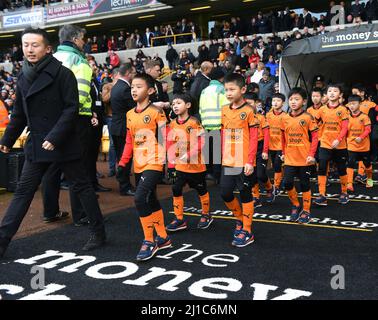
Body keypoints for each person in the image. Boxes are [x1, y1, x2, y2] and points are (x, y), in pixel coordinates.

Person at [0, 28, 106, 259]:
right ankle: (2, 241)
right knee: (22, 192)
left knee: (82, 187)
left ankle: (98, 232)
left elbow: (71, 108)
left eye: (35, 45)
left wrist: (54, 137)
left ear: (48, 48)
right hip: (38, 143)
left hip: (64, 142)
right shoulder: (23, 75)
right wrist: (7, 139)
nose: (29, 49)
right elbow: (19, 113)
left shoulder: (63, 73)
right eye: (25, 44)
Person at [41, 24, 99, 226]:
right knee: (78, 166)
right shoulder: (79, 60)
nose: (85, 42)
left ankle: (50, 211)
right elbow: (81, 95)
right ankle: (81, 215)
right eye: (83, 39)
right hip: (76, 120)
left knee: (53, 167)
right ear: (75, 39)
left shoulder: (51, 58)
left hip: (53, 121)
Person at [118, 73, 172, 261]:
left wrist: (170, 164)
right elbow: (128, 141)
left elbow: (166, 138)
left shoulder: (157, 112)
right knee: (151, 199)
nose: (134, 89)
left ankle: (150, 241)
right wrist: (123, 162)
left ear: (150, 91)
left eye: (139, 86)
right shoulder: (129, 114)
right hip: (139, 163)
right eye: (132, 86)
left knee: (140, 198)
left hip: (155, 161)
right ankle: (163, 237)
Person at [221, 73, 259, 247]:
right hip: (229, 160)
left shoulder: (249, 111)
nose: (228, 93)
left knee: (245, 194)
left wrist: (250, 161)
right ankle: (239, 218)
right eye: (226, 89)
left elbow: (253, 138)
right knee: (226, 193)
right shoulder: (224, 110)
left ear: (243, 89)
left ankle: (247, 229)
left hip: (244, 160)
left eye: (232, 89)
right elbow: (223, 134)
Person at [166, 93, 211, 231]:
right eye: (173, 104)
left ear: (188, 105)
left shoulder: (194, 122)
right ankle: (179, 219)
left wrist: (189, 154)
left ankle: (206, 214)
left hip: (195, 166)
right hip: (180, 166)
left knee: (201, 189)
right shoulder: (172, 124)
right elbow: (169, 144)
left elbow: (202, 142)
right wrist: (171, 166)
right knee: (176, 188)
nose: (175, 106)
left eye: (178, 103)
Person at [280, 88, 319, 224]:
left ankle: (306, 210)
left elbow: (315, 137)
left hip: (305, 159)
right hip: (290, 158)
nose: (293, 102)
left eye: (297, 99)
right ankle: (296, 205)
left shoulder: (308, 117)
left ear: (303, 102)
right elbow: (282, 137)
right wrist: (283, 153)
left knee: (305, 185)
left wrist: (311, 155)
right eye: (291, 99)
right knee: (288, 183)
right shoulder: (284, 118)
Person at [315, 84, 349, 206]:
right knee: (322, 167)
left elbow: (345, 127)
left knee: (341, 169)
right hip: (325, 143)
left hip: (340, 145)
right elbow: (314, 123)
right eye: (330, 91)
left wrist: (338, 139)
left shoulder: (343, 110)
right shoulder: (322, 109)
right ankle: (322, 195)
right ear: (326, 94)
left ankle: (344, 192)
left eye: (335, 91)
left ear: (340, 95)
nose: (332, 93)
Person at [110, 63, 137, 196]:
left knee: (121, 157)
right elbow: (133, 107)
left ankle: (124, 183)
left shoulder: (116, 86)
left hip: (116, 126)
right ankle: (125, 186)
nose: (134, 75)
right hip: (122, 128)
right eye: (133, 73)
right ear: (128, 73)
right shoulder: (125, 88)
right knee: (125, 158)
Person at [244, 93, 274, 208]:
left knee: (261, 174)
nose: (248, 105)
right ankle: (256, 197)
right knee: (251, 174)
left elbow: (267, 135)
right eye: (246, 103)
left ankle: (269, 188)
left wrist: (265, 151)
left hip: (260, 147)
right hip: (249, 147)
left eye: (250, 103)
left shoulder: (261, 118)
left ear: (256, 104)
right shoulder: (244, 118)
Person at [199, 68, 228, 184]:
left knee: (208, 150)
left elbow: (200, 109)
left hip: (206, 124)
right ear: (221, 78)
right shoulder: (221, 89)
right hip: (218, 124)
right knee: (217, 151)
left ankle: (208, 172)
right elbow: (226, 106)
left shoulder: (204, 91)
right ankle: (217, 176)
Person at [346, 95, 373, 192]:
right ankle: (349, 184)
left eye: (354, 103)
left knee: (367, 164)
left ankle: (369, 178)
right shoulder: (347, 117)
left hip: (364, 146)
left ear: (360, 104)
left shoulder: (364, 117)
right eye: (350, 104)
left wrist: (361, 137)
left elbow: (368, 129)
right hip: (351, 144)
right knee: (350, 162)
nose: (352, 106)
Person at [265, 93, 286, 193]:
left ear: (283, 103)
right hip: (270, 144)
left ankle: (277, 186)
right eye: (274, 101)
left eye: (278, 101)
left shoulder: (285, 116)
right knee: (275, 165)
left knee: (278, 164)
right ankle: (280, 181)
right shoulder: (268, 115)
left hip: (280, 146)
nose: (275, 103)